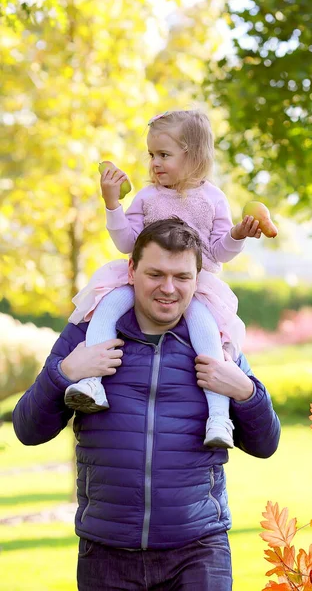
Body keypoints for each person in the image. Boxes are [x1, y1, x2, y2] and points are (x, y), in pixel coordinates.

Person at [13, 218, 281, 591]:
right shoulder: (89, 335)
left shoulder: (214, 343)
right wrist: (66, 372)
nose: (168, 288)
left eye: (182, 277)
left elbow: (266, 444)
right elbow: (28, 430)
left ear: (197, 279)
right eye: (155, 274)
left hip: (198, 552)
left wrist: (246, 392)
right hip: (106, 553)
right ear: (131, 270)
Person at [63, 109, 263, 450]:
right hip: (139, 280)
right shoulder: (146, 196)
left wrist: (238, 234)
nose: (155, 163)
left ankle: (218, 416)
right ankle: (92, 383)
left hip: (194, 287)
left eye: (164, 155)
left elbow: (217, 253)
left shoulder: (213, 198)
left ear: (195, 156)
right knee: (107, 306)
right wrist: (113, 205)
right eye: (152, 155)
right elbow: (128, 243)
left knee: (208, 337)